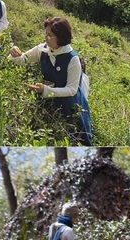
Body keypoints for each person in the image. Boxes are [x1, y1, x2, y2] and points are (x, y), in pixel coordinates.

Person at [8, 16, 92, 145]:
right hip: (50, 100)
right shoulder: (43, 49)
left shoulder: (72, 59)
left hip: (71, 104)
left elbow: (72, 89)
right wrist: (14, 53)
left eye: (50, 35)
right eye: (46, 34)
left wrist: (46, 90)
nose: (46, 38)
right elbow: (22, 59)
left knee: (75, 139)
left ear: (61, 37)